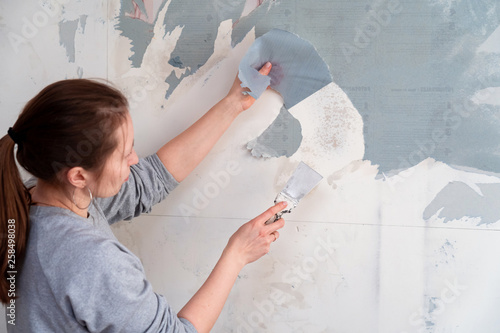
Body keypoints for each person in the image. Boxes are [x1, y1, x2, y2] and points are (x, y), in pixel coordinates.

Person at [0, 62, 286, 332]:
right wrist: (237, 254)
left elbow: (152, 180)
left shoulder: (35, 199)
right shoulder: (91, 260)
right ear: (78, 175)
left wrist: (232, 104)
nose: (135, 160)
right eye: (125, 155)